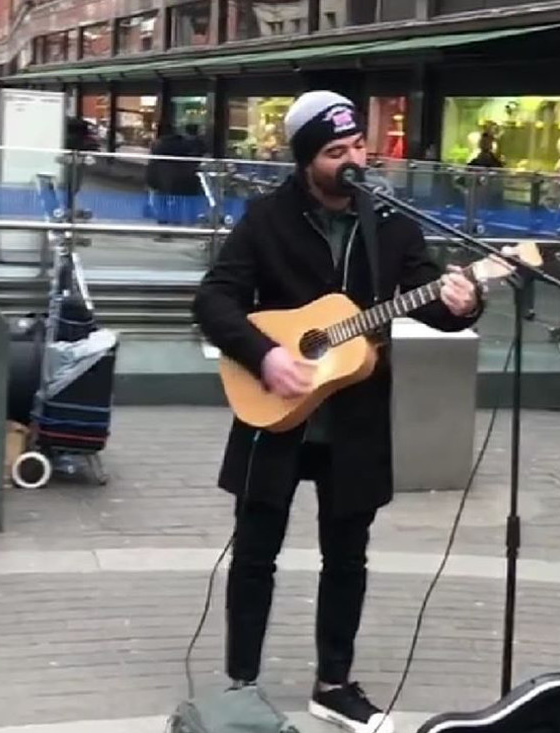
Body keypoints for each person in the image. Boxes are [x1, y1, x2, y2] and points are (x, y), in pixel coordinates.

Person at [192, 90, 483, 733]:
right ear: (305, 160)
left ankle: (334, 684)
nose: (352, 160)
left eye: (357, 147)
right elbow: (214, 299)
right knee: (254, 555)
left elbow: (427, 299)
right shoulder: (266, 220)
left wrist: (463, 303)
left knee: (347, 557)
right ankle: (242, 683)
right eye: (334, 152)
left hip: (353, 422)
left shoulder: (392, 226)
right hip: (275, 412)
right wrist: (265, 354)